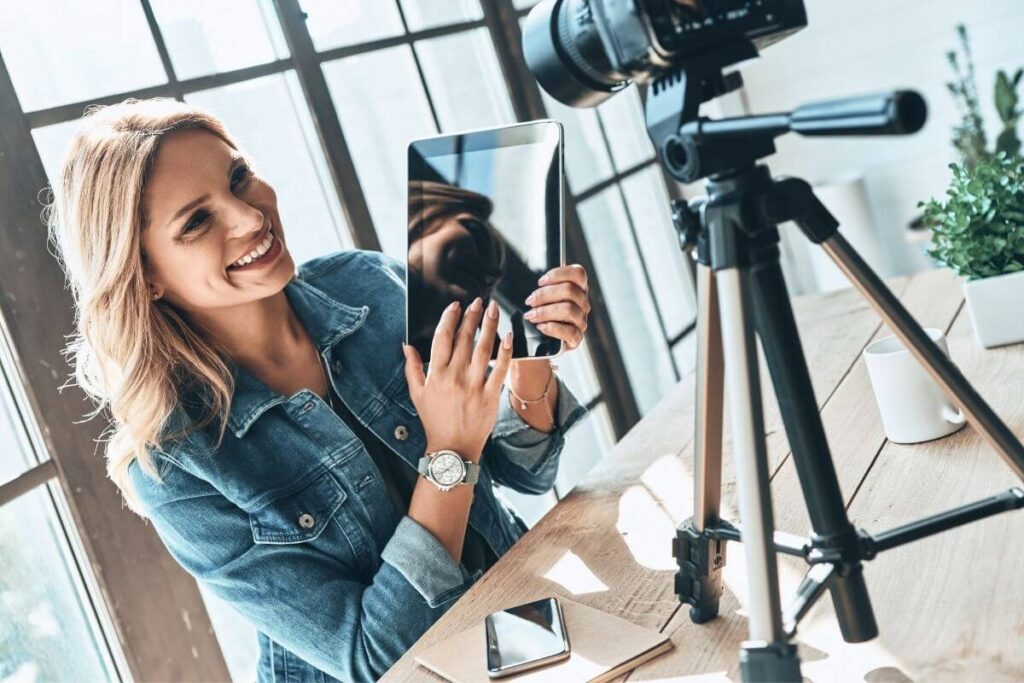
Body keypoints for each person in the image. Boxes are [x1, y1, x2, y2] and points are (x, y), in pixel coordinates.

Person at [43, 97, 593, 682]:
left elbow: (523, 474)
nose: (250, 218)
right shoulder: (176, 469)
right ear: (145, 275)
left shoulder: (368, 284)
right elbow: (374, 657)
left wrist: (533, 357)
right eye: (197, 221)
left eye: (239, 177)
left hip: (524, 619)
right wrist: (450, 451)